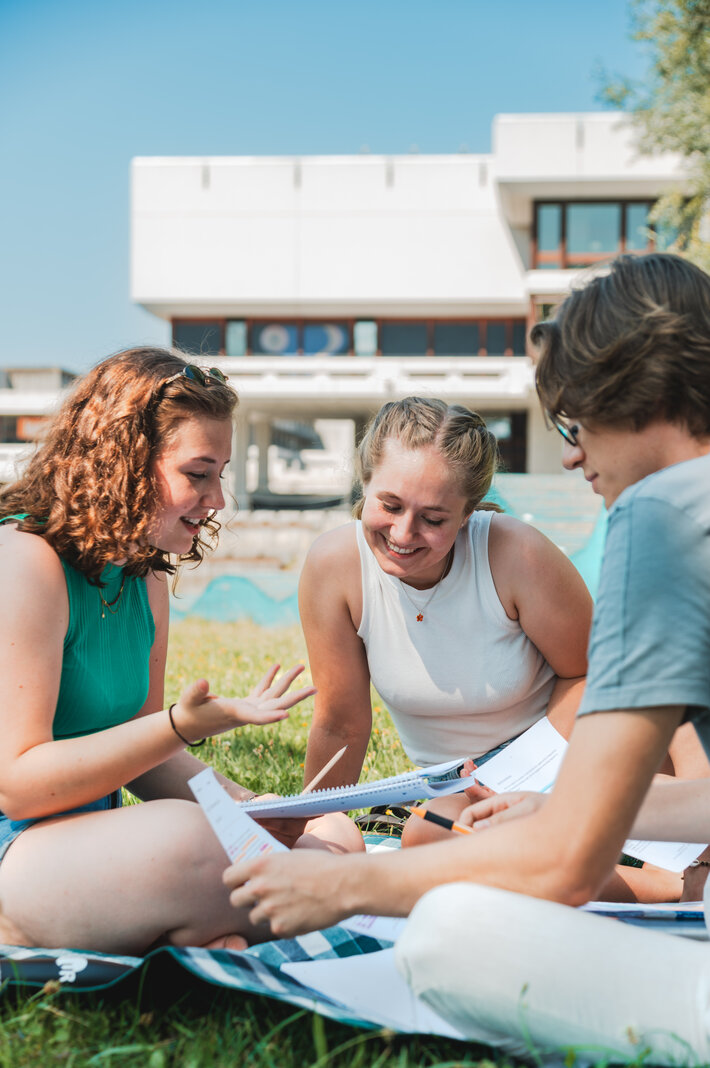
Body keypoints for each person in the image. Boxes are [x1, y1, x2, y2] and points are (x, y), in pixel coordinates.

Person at [224, 252, 710, 1065]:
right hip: (592, 822)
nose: (569, 455)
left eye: (572, 420)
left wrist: (339, 885)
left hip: (548, 812)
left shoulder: (655, 522)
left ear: (641, 395)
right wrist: (562, 813)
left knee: (447, 932)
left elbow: (563, 867)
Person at [0, 347, 360, 956]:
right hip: (18, 848)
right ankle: (199, 933)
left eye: (219, 475)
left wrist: (255, 807)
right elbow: (18, 785)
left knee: (333, 835)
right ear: (123, 463)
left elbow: (140, 755)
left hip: (93, 840)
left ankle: (194, 934)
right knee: (198, 840)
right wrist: (178, 728)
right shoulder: (26, 561)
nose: (217, 500)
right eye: (199, 474)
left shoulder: (145, 579)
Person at [300, 395, 592, 845]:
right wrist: (310, 827)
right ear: (364, 483)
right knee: (433, 832)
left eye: (433, 518)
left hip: (554, 758)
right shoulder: (334, 567)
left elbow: (592, 674)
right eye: (390, 505)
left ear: (466, 515)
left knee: (431, 836)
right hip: (449, 786)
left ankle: (663, 883)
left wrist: (523, 776)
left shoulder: (517, 554)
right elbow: (342, 723)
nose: (402, 534)